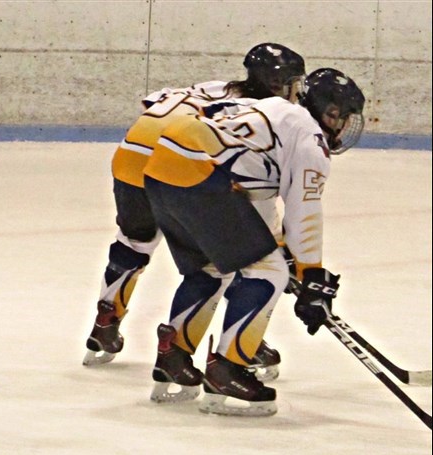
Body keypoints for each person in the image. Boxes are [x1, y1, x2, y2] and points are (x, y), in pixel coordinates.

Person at [141, 67, 365, 416]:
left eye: (344, 117)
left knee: (211, 269)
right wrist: (313, 276)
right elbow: (304, 209)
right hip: (201, 176)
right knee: (268, 273)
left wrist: (289, 253)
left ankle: (174, 357)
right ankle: (227, 370)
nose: (338, 125)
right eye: (334, 114)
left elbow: (252, 193)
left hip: (161, 169)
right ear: (318, 108)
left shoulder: (273, 110)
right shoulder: (310, 138)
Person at [83, 43, 305, 383]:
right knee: (225, 261)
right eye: (293, 83)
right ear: (279, 85)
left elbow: (153, 104)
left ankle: (105, 320)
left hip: (129, 154)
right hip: (171, 168)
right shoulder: (263, 113)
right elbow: (250, 190)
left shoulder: (217, 86)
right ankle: (243, 340)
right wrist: (277, 247)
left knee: (134, 242)